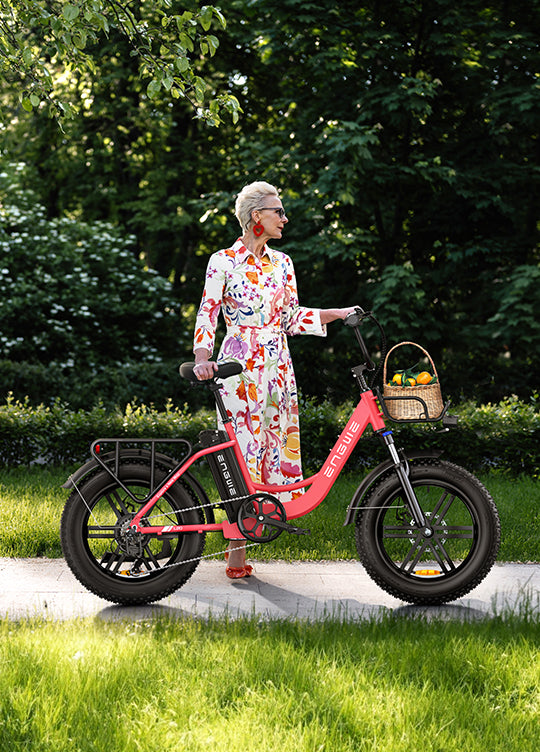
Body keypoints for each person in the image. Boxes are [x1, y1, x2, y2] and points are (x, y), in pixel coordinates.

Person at [193, 181, 356, 578]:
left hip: (279, 366)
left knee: (272, 449)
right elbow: (207, 312)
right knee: (242, 453)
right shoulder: (223, 261)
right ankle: (236, 551)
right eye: (277, 211)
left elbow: (289, 318)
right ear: (256, 218)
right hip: (239, 368)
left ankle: (260, 525)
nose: (284, 218)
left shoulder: (283, 263)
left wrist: (332, 313)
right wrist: (202, 357)